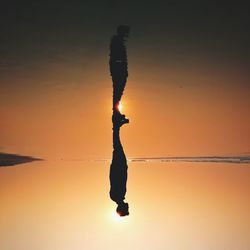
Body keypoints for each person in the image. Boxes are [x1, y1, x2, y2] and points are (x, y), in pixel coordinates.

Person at [109, 25, 130, 216]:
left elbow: (115, 176)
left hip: (118, 162)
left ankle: (117, 120)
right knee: (118, 88)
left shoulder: (116, 195)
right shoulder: (117, 195)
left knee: (118, 88)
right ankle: (117, 120)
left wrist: (118, 162)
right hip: (119, 162)